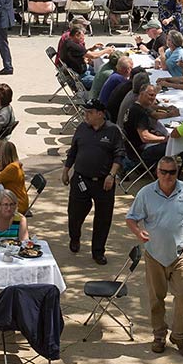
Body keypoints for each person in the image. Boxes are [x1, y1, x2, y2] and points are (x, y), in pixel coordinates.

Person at [125, 155, 183, 358]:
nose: (167, 176)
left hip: (182, 253)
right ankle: (159, 335)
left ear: (177, 173)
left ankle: (180, 337)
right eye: (163, 171)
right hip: (154, 254)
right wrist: (138, 232)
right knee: (156, 299)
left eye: (172, 172)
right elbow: (131, 218)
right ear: (157, 172)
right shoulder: (146, 193)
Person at [64, 99, 124, 264]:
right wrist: (66, 170)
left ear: (100, 113)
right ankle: (75, 237)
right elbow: (73, 151)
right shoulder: (82, 128)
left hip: (104, 181)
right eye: (85, 112)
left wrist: (111, 175)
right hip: (81, 178)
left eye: (90, 112)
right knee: (75, 213)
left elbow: (119, 155)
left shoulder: (113, 131)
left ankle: (98, 251)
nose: (86, 115)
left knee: (103, 218)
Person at [0, 138, 30, 214]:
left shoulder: (13, 168)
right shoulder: (8, 164)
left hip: (18, 204)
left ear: (3, 154)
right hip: (12, 199)